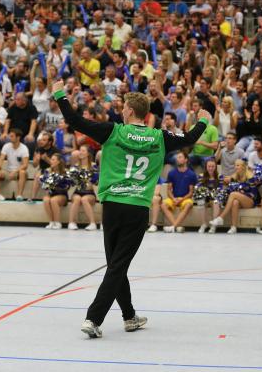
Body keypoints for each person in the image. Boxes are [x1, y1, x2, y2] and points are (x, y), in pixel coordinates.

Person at [52, 78, 210, 339]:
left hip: (113, 204)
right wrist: (203, 119)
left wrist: (59, 93)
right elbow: (191, 137)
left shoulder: (113, 131)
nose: (121, 110)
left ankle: (121, 317)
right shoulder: (160, 137)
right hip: (137, 207)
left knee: (116, 264)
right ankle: (101, 318)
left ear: (129, 111)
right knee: (118, 265)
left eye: (123, 107)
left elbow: (75, 121)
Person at [209, 159, 260, 234]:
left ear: (243, 167)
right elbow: (228, 185)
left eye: (238, 165)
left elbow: (254, 194)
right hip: (240, 200)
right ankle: (233, 227)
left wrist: (242, 193)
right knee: (235, 202)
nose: (236, 167)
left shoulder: (250, 177)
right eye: (235, 165)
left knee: (233, 194)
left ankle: (221, 217)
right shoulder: (235, 176)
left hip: (251, 200)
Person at [161, 151, 198, 233]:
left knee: (188, 204)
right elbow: (169, 190)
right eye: (177, 157)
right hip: (174, 198)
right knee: (163, 204)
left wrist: (181, 199)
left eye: (180, 157)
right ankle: (176, 226)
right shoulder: (171, 173)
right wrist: (173, 199)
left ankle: (173, 226)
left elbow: (191, 192)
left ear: (186, 160)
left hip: (185, 198)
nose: (177, 159)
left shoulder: (191, 174)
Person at [0, 128, 30, 201]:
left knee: (22, 172)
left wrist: (15, 172)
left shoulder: (24, 148)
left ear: (18, 137)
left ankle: (19, 195)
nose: (9, 138)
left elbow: (25, 165)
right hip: (8, 171)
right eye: (9, 136)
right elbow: (1, 159)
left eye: (12, 136)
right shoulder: (6, 146)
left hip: (18, 172)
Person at [67, 145, 99, 231]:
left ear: (88, 154)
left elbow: (96, 181)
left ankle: (92, 223)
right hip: (77, 191)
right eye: (80, 150)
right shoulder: (76, 167)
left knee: (84, 199)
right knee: (77, 199)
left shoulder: (93, 166)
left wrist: (89, 179)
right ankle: (71, 222)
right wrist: (72, 178)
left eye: (83, 151)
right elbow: (71, 182)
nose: (80, 152)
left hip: (89, 193)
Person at [42, 153, 72, 230]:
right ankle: (51, 222)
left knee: (53, 200)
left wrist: (56, 185)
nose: (51, 161)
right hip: (51, 193)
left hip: (61, 195)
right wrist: (47, 184)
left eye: (53, 159)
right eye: (51, 159)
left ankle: (57, 222)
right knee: (46, 200)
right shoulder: (48, 171)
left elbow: (67, 187)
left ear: (58, 162)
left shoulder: (65, 172)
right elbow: (44, 185)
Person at [195, 158, 223, 234]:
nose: (211, 168)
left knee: (216, 201)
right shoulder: (201, 176)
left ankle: (213, 225)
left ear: (215, 167)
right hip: (206, 198)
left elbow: (220, 189)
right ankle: (204, 224)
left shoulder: (219, 176)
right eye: (209, 166)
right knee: (200, 200)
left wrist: (211, 193)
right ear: (206, 167)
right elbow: (198, 188)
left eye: (212, 166)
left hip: (215, 197)